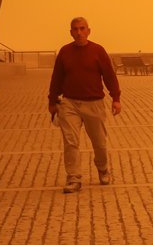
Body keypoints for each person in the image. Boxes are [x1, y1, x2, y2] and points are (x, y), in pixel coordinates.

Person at [48, 17, 121, 193]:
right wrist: (52, 101)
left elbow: (109, 76)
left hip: (94, 103)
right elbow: (56, 78)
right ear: (71, 32)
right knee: (70, 142)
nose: (79, 32)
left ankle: (102, 168)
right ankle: (73, 178)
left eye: (82, 28)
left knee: (99, 143)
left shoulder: (98, 51)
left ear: (89, 31)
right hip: (70, 104)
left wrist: (116, 98)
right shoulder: (64, 52)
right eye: (75, 29)